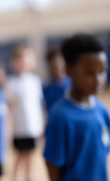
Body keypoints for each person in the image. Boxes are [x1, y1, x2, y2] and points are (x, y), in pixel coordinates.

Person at [43, 33, 109, 181]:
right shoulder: (60, 117)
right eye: (90, 73)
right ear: (68, 71)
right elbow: (53, 166)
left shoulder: (102, 111)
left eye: (102, 71)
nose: (98, 79)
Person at [5, 45, 44, 181]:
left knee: (30, 154)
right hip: (19, 128)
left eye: (27, 60)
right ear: (14, 63)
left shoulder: (35, 81)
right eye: (21, 60)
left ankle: (28, 176)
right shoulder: (12, 83)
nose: (25, 63)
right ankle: (15, 178)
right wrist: (9, 128)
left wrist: (41, 124)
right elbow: (8, 107)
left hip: (33, 127)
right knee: (20, 155)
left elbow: (39, 105)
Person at [42, 46, 71, 113]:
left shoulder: (73, 84)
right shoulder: (46, 88)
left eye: (59, 63)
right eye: (53, 64)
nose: (57, 66)